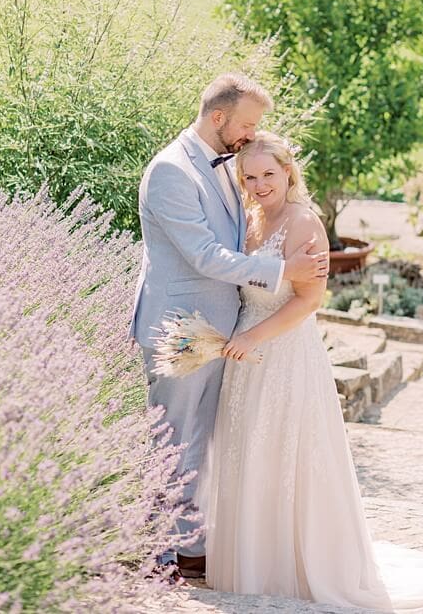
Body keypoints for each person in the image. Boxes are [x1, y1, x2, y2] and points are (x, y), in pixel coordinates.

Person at [201, 131, 423, 608]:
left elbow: (310, 300)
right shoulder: (248, 220)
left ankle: (299, 567)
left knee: (287, 453)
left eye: (269, 173)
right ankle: (250, 563)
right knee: (248, 450)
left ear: (288, 171)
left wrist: (250, 338)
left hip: (283, 354)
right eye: (251, 177)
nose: (261, 184)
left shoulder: (304, 223)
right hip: (245, 358)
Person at [129, 73, 329, 578]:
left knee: (197, 437)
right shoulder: (172, 170)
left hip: (224, 329)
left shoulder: (222, 164)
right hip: (181, 326)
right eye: (247, 123)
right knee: (169, 435)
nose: (251, 133)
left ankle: (187, 541)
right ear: (219, 117)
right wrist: (282, 271)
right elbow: (202, 256)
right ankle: (157, 553)